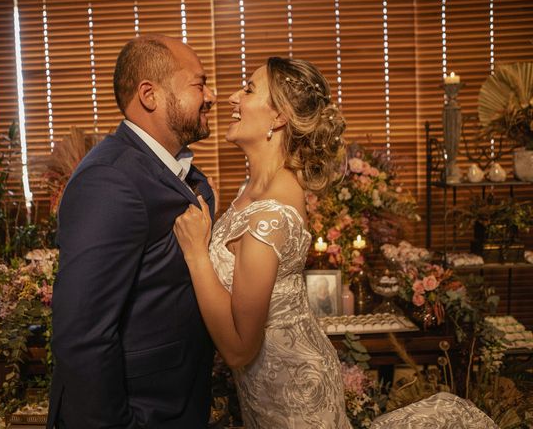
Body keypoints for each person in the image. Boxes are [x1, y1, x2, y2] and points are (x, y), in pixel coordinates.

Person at [173, 56, 498, 428]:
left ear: (279, 117)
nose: (231, 97)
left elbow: (239, 349)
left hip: (294, 398)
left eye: (248, 89)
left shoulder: (270, 214)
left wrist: (197, 255)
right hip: (273, 388)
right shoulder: (254, 189)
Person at [47, 34, 217, 429]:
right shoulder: (110, 179)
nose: (210, 96)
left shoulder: (177, 171)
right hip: (140, 412)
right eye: (199, 83)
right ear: (150, 94)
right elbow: (82, 334)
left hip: (178, 404)